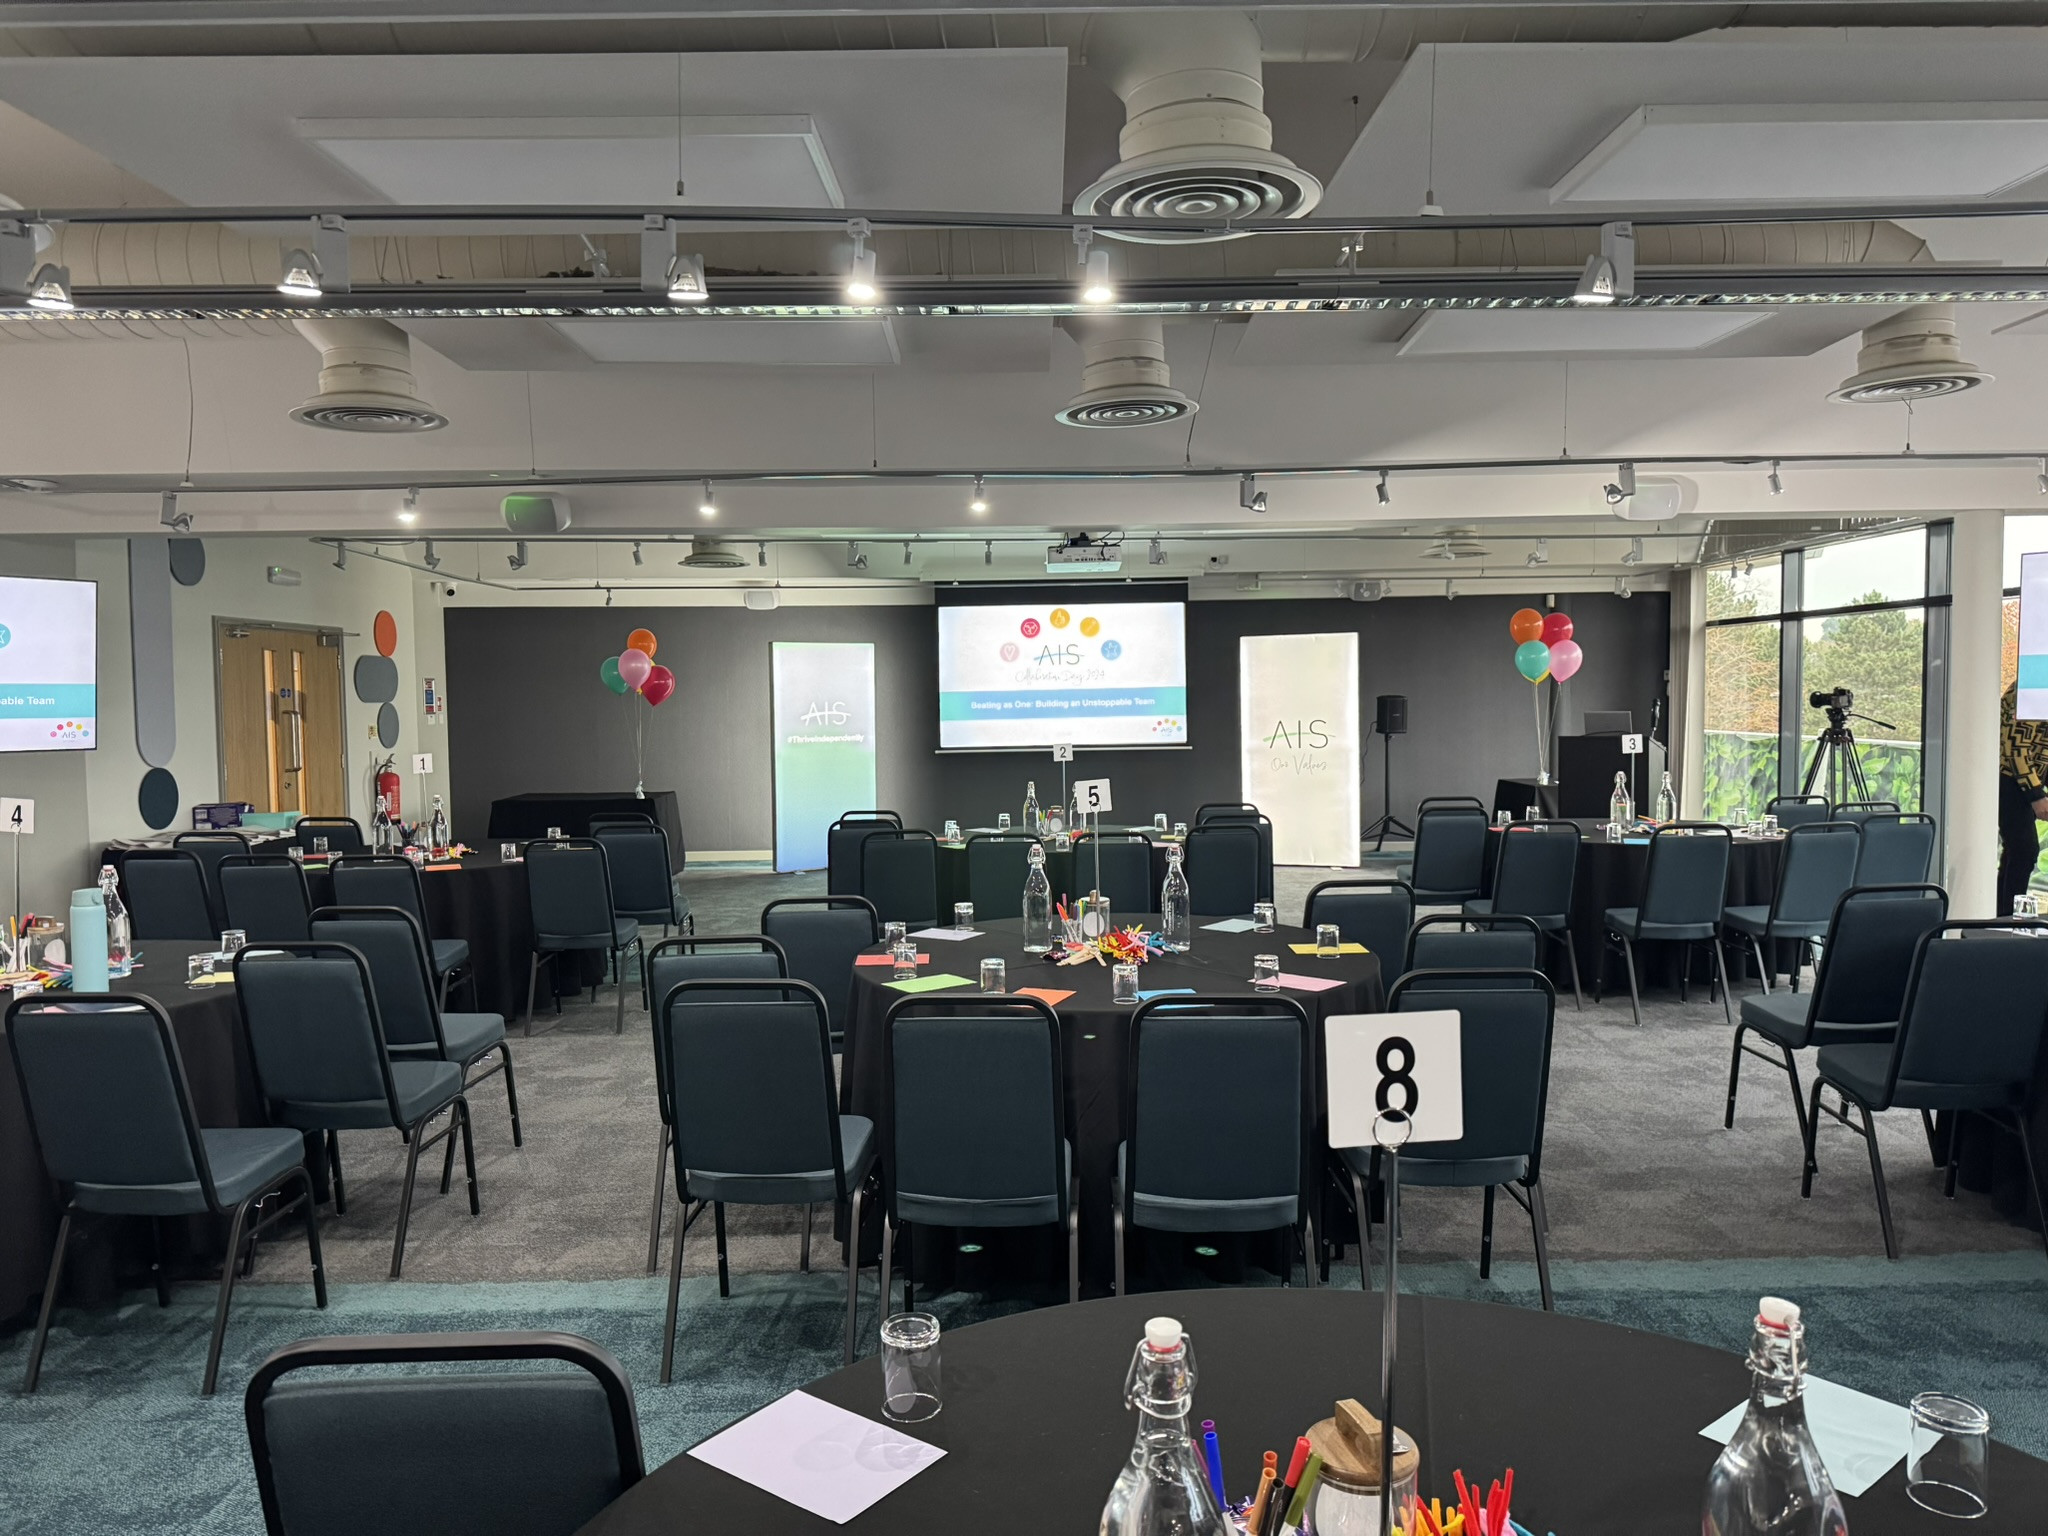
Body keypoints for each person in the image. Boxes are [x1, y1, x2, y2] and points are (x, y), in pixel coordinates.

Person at [1998, 681, 2048, 917]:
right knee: (2024, 850)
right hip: (2007, 778)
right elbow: (2016, 748)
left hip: (2032, 777)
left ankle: (2001, 916)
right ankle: (2007, 920)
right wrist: (2035, 795)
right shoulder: (2030, 688)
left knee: (2016, 851)